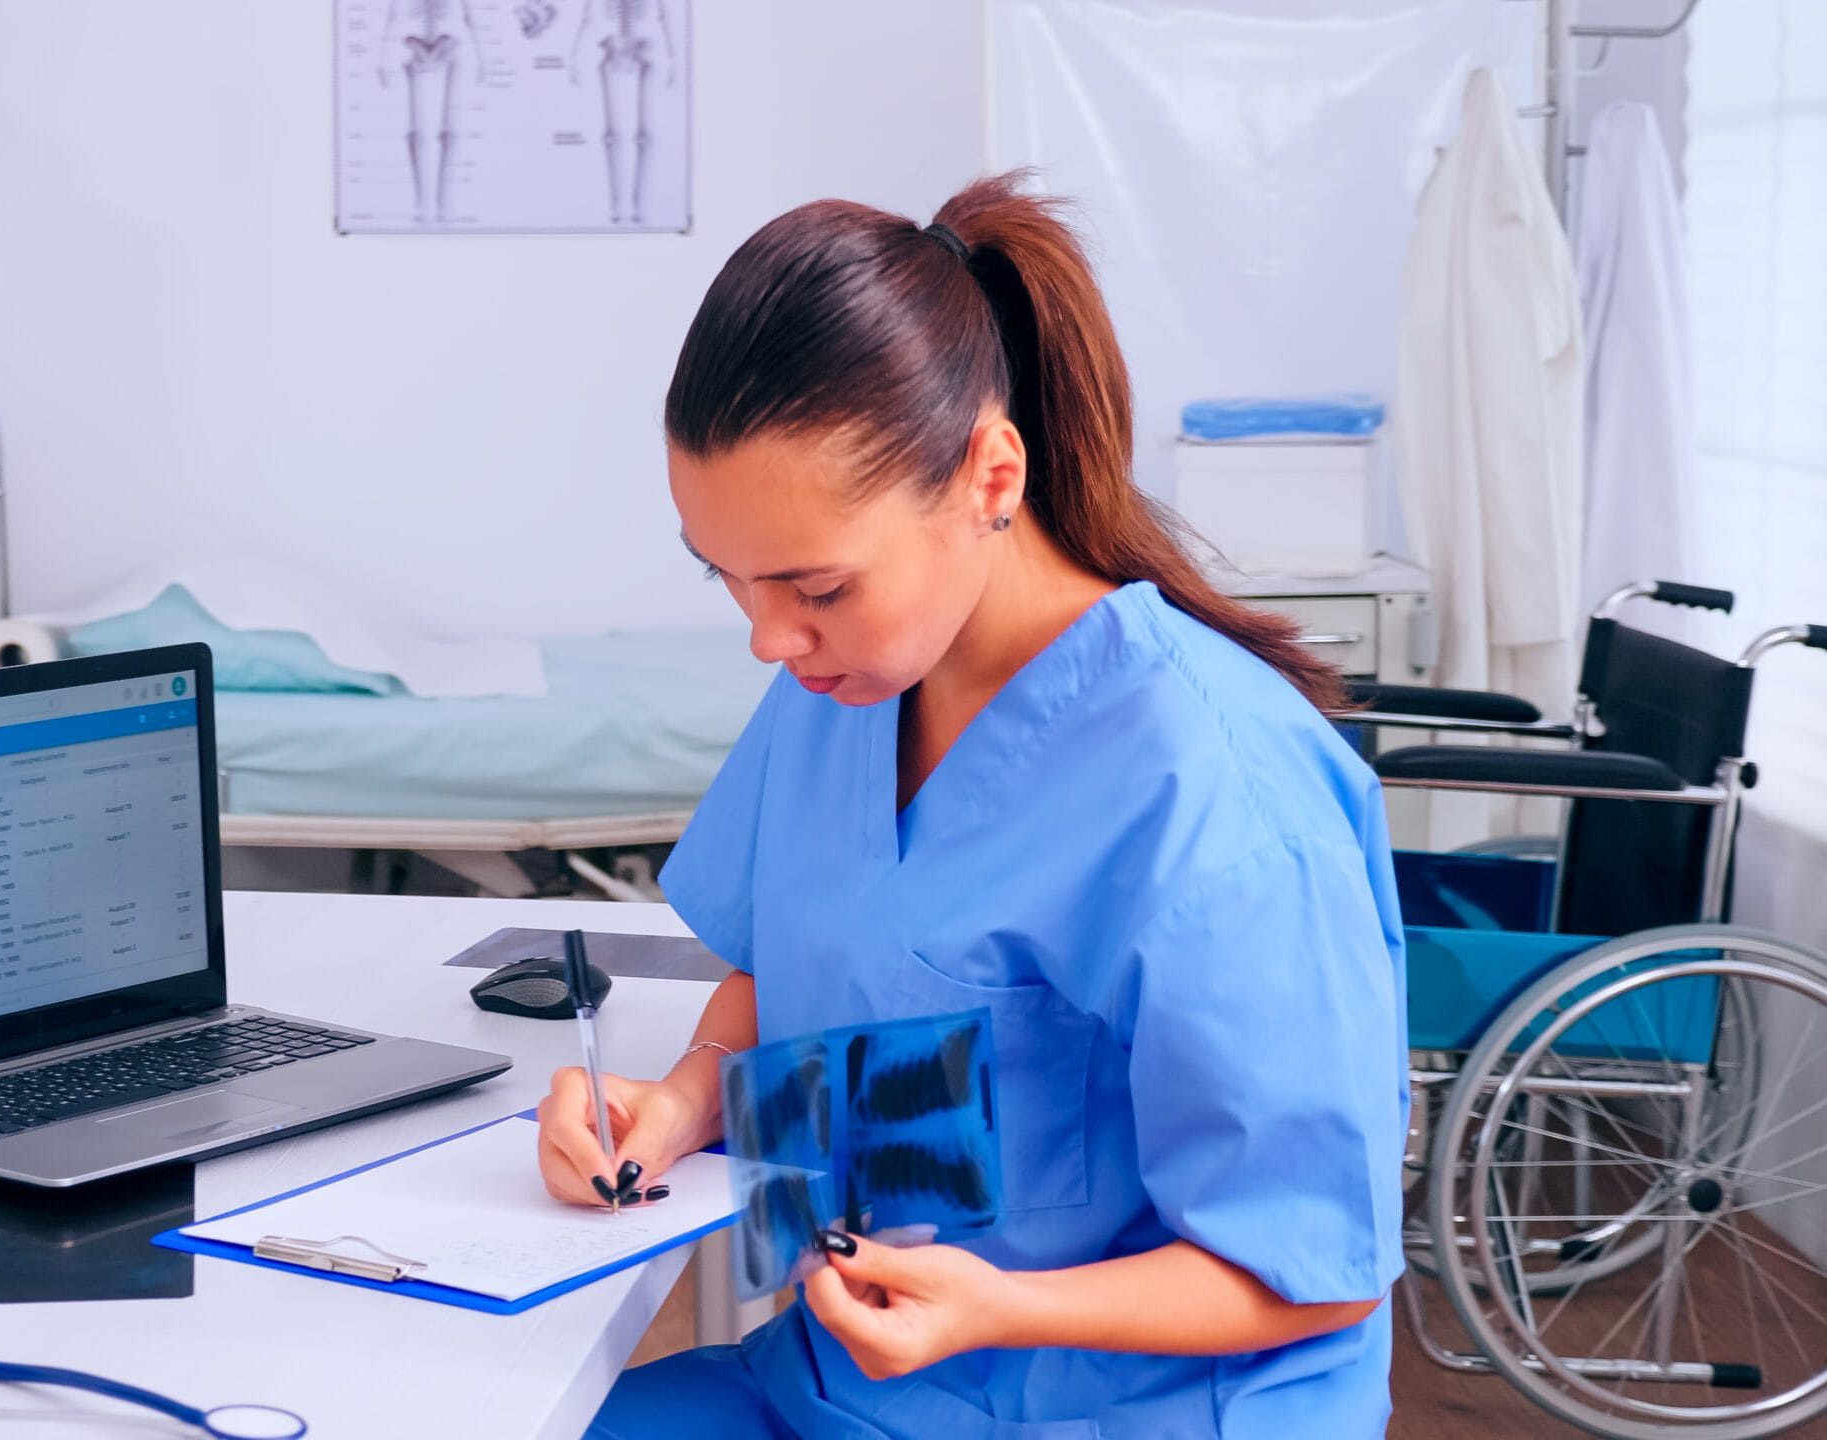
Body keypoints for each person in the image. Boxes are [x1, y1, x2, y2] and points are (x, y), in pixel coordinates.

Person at [538, 173, 1408, 1437]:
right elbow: (811, 968)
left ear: (989, 476)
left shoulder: (1217, 799)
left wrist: (999, 1309)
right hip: (840, 1383)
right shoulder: (844, 685)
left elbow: (1312, 1273)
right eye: (725, 578)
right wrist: (677, 1101)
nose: (768, 637)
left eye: (813, 584)